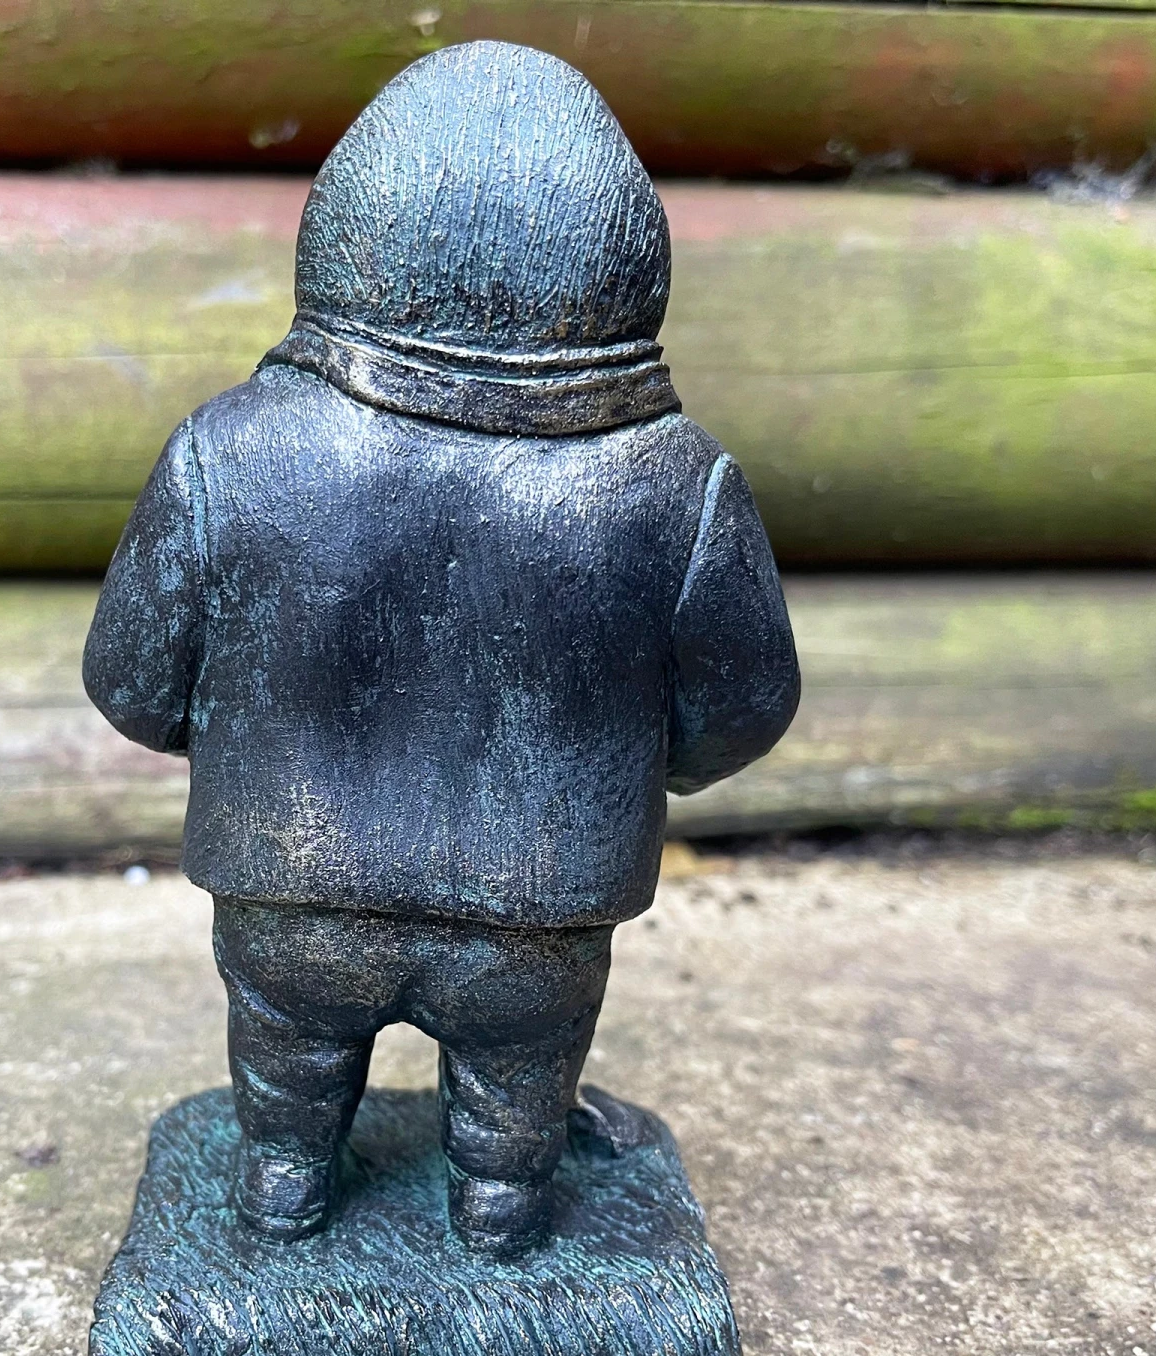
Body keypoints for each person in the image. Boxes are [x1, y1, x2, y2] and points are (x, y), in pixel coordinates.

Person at [83, 41, 799, 1257]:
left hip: (288, 893)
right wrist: (636, 765)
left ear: (341, 233)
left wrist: (251, 741)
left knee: (287, 1065)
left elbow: (133, 685)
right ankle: (501, 1212)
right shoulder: (682, 484)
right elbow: (745, 705)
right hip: (543, 908)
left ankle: (283, 1188)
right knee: (521, 1082)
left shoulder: (226, 450)